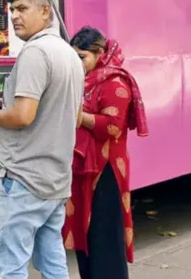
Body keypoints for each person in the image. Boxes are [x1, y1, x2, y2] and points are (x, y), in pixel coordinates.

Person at [0, 0, 84, 279]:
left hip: (23, 178)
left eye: (22, 8)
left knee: (11, 267)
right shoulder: (70, 55)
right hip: (55, 180)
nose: (15, 16)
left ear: (46, 11)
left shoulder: (35, 53)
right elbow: (74, 116)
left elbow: (22, 116)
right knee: (53, 263)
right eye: (11, 9)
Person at [62, 27, 149, 279]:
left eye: (81, 57)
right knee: (85, 231)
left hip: (107, 169)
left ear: (99, 53)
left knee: (105, 233)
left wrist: (80, 118)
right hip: (83, 166)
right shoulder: (84, 79)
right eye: (73, 58)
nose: (77, 64)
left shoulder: (114, 82)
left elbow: (112, 126)